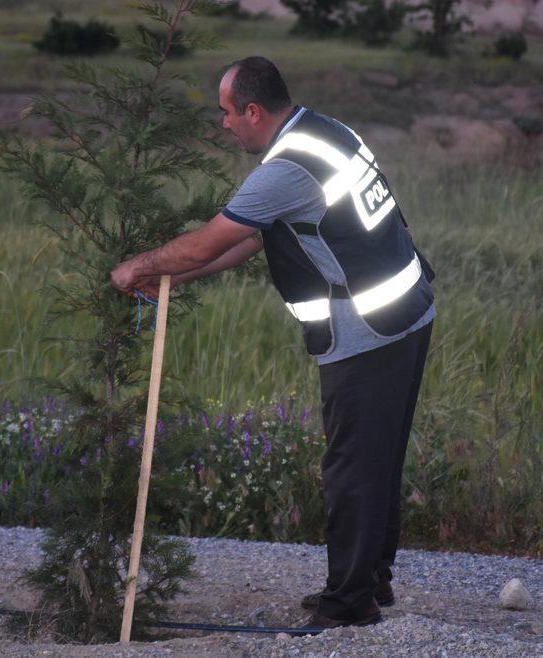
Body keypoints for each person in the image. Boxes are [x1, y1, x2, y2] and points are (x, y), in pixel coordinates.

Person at [110, 56, 435, 631]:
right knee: (377, 459)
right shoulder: (326, 131)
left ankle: (347, 605)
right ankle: (369, 583)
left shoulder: (283, 170)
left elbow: (209, 241)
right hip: (407, 310)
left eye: (227, 113)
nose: (224, 124)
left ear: (253, 111)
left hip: (369, 330)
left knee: (353, 469)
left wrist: (138, 266)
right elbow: (255, 237)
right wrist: (168, 281)